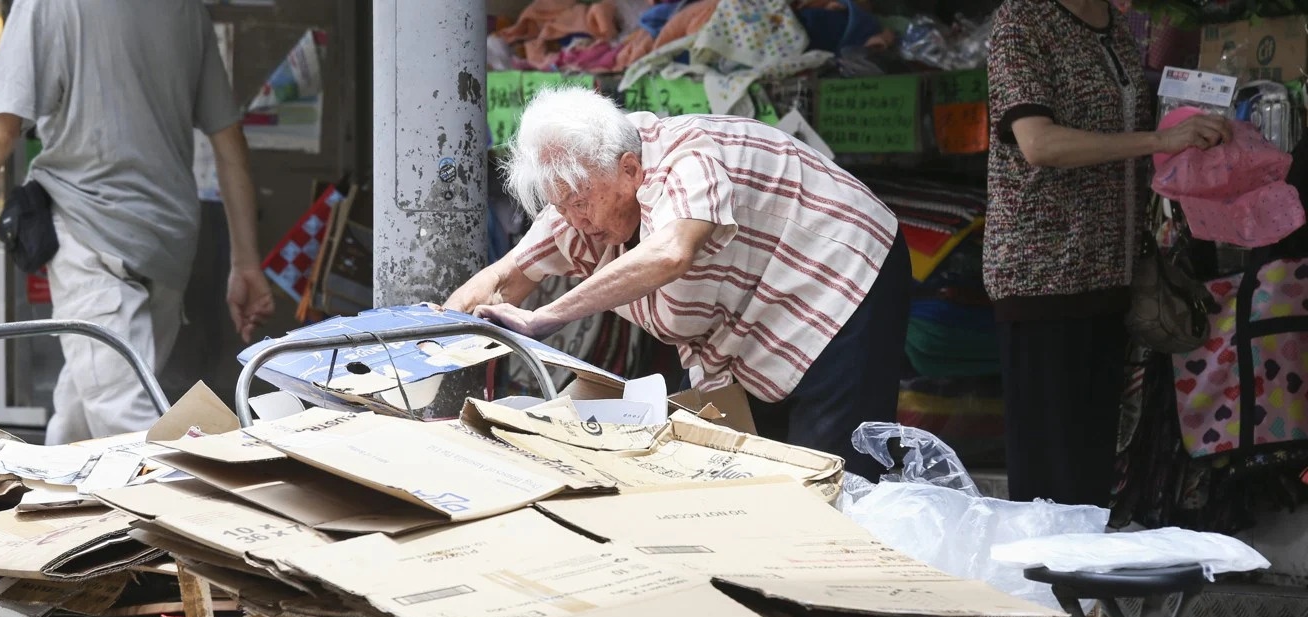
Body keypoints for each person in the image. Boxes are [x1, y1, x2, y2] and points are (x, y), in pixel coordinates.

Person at [445, 86, 912, 478]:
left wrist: (547, 317)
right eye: (561, 205)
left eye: (581, 203)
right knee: (762, 468)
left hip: (840, 273)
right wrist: (438, 331)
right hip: (747, 314)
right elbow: (504, 279)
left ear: (629, 170)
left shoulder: (688, 155)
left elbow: (671, 251)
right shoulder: (579, 201)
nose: (575, 220)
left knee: (833, 469)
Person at [0, 0, 274, 444]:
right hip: (168, 244)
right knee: (85, 407)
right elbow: (228, 138)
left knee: (129, 428)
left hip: (89, 233)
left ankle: (204, 507)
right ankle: (53, 503)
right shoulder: (186, 11)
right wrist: (247, 264)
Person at [986, 0, 1231, 506]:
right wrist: (1161, 139)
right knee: (1048, 476)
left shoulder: (1114, 26)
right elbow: (1039, 144)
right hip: (1044, 275)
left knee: (1090, 471)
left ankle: (1083, 583)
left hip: (1110, 275)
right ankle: (1039, 584)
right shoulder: (1022, 21)